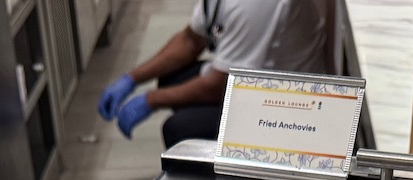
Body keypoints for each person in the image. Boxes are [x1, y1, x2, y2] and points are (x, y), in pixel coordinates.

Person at [97, 0, 329, 149]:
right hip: (251, 81)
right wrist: (132, 78)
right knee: (171, 80)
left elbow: (219, 85)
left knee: (180, 130)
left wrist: (150, 100)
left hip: (287, 106)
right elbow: (191, 39)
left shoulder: (254, 4)